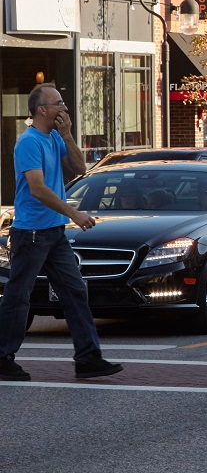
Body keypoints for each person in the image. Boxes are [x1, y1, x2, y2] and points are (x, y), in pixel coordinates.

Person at [0, 84, 123, 382]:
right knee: (19, 296)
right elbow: (38, 188)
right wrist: (75, 214)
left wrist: (67, 135)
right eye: (59, 103)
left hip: (53, 232)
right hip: (31, 232)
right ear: (42, 109)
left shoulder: (54, 137)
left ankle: (88, 359)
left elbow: (81, 170)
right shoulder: (29, 142)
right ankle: (2, 358)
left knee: (75, 291)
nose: (64, 108)